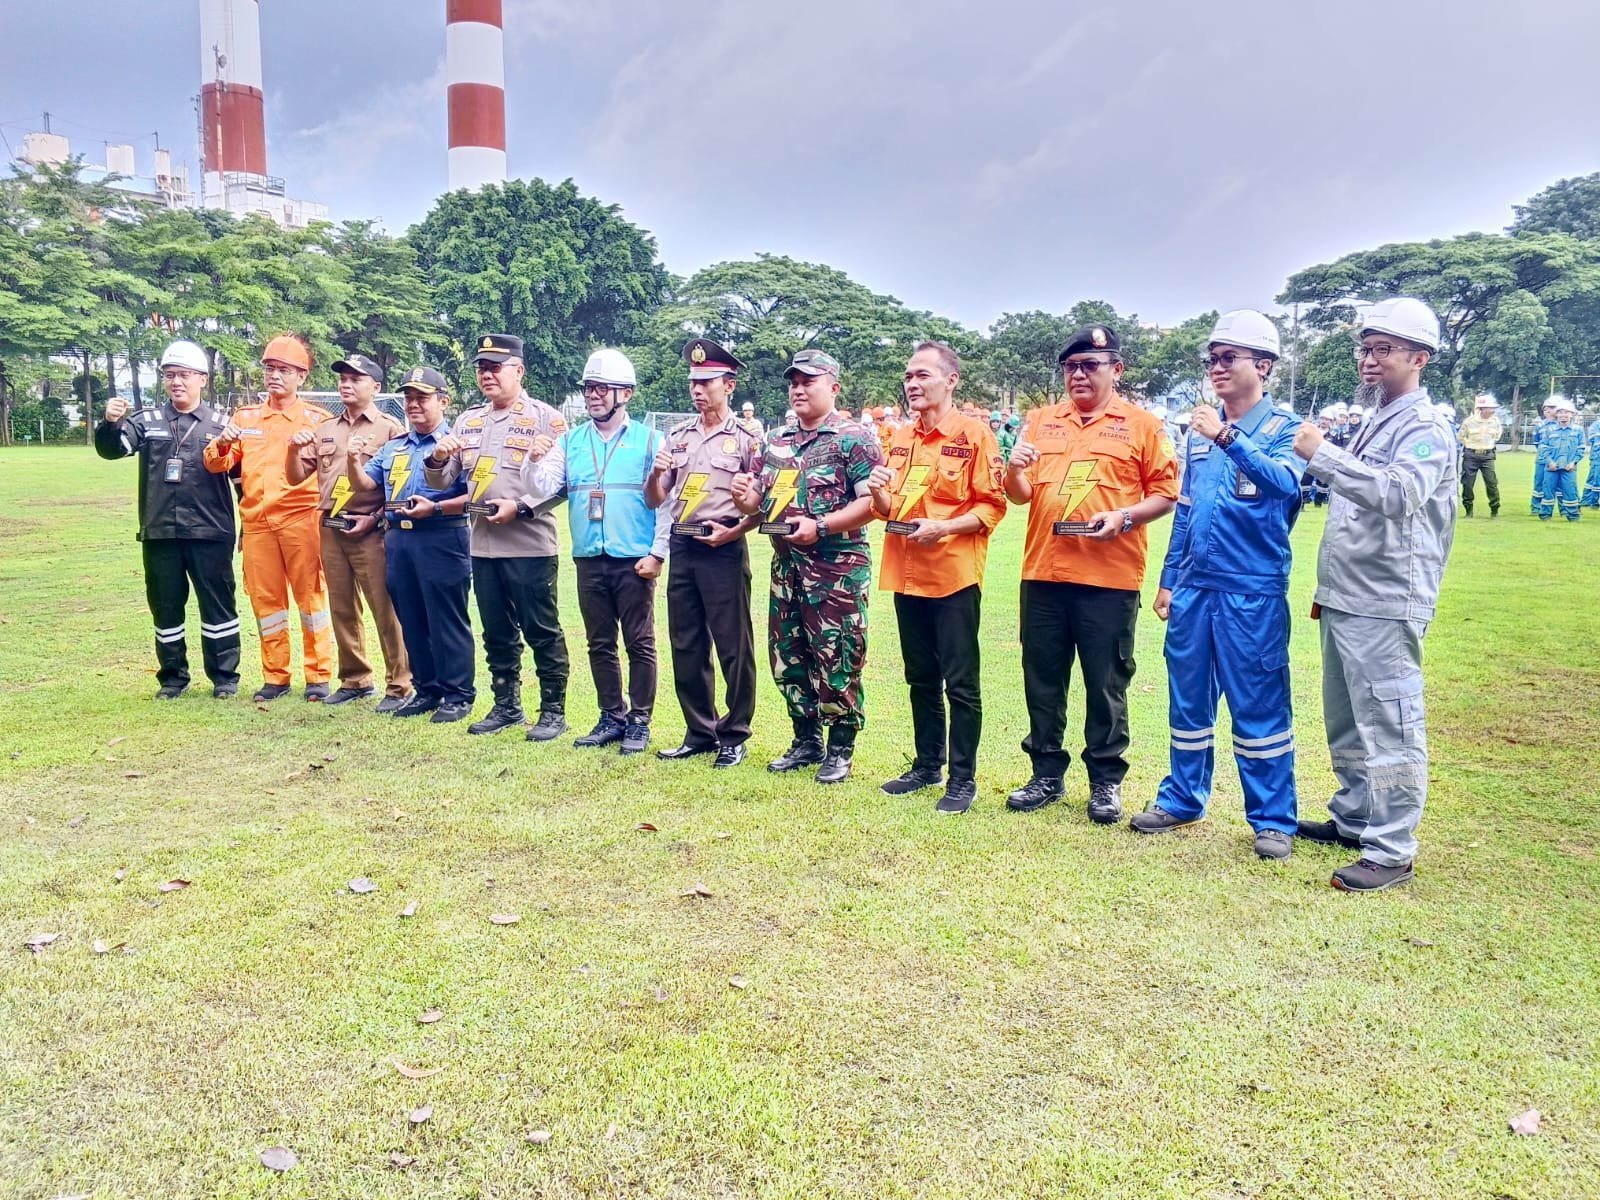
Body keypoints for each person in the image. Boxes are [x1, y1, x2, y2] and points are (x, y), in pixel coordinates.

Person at [1293, 297, 1457, 892]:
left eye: (1383, 349)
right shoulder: (1376, 419)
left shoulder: (1425, 427)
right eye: (1365, 348)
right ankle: (1356, 816)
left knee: (1390, 724)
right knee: (1346, 721)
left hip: (1387, 598)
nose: (1369, 359)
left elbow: (1399, 493)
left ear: (1420, 357)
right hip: (1346, 593)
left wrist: (1322, 455)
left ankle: (1391, 849)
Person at [1133, 311, 1303, 859]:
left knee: (1259, 705)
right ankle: (1183, 797)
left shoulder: (1286, 430)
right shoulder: (1198, 435)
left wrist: (1227, 436)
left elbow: (1284, 487)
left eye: (1229, 357)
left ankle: (1272, 819)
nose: (1217, 368)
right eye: (1212, 359)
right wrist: (1168, 579)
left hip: (1251, 590)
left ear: (1264, 365)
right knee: (1188, 701)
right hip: (1195, 588)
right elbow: (1185, 511)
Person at [1002, 325, 1178, 821]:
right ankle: (1045, 774)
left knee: (1106, 684)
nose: (1078, 375)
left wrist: (1125, 517)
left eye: (1090, 365)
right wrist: (1014, 469)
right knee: (1042, 680)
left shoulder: (1143, 426)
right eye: (1070, 367)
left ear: (1115, 369)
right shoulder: (1040, 421)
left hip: (1109, 578)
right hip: (1044, 572)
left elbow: (1166, 494)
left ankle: (1105, 781)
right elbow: (1019, 495)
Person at [731, 349, 883, 783]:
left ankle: (841, 747)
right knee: (788, 656)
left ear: (833, 387)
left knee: (838, 655)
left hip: (837, 570)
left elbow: (872, 504)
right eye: (794, 382)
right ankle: (806, 740)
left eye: (808, 381)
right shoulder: (775, 440)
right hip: (787, 567)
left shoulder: (854, 438)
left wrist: (822, 526)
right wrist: (744, 497)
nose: (798, 389)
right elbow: (757, 502)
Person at [866, 342, 1006, 813]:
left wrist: (944, 527)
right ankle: (928, 765)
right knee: (920, 676)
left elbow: (992, 506)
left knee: (960, 683)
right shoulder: (902, 437)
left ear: (951, 381)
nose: (912, 383)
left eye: (923, 375)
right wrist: (878, 493)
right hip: (906, 575)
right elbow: (889, 509)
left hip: (953, 576)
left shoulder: (975, 435)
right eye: (909, 376)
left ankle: (962, 779)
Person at [423, 334, 571, 740]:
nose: (487, 375)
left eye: (495, 367)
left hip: (529, 544)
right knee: (496, 631)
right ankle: (507, 706)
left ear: (519, 370)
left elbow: (564, 484)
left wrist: (521, 507)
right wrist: (437, 457)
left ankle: (553, 711)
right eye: (481, 368)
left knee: (541, 629)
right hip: (483, 545)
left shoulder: (547, 419)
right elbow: (444, 480)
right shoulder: (468, 421)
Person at [523, 349, 670, 755]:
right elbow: (540, 487)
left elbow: (667, 505)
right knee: (599, 642)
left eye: (602, 388)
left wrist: (658, 553)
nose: (592, 395)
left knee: (639, 642)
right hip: (589, 557)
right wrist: (532, 462)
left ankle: (639, 721)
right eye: (589, 388)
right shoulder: (570, 440)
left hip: (633, 558)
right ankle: (611, 716)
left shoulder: (650, 440)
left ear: (626, 393)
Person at [95, 340, 241, 699]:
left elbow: (242, 481)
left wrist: (250, 525)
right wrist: (110, 424)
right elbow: (113, 450)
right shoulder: (146, 422)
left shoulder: (223, 425)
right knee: (165, 608)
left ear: (203, 379)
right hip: (160, 532)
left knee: (218, 607)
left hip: (211, 532)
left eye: (185, 375)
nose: (177, 382)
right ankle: (173, 678)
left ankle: (224, 678)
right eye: (170, 375)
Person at [644, 339, 763, 767]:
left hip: (723, 546)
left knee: (734, 645)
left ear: (729, 385)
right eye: (693, 382)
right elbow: (655, 498)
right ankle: (700, 731)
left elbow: (762, 504)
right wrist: (656, 474)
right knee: (686, 643)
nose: (697, 390)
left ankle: (735, 733)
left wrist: (735, 532)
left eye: (706, 382)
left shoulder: (748, 439)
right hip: (683, 544)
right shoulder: (678, 437)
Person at [201, 335, 333, 702]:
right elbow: (216, 464)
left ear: (301, 376)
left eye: (285, 370)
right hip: (258, 525)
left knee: (311, 601)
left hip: (301, 522)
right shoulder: (245, 418)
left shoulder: (317, 421)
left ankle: (318, 676)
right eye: (270, 369)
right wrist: (222, 443)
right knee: (267, 603)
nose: (275, 375)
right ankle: (276, 677)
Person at [283, 352, 411, 710]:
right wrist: (293, 450)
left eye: (356, 378)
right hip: (332, 527)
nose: (346, 384)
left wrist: (377, 519)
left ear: (376, 387)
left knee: (384, 608)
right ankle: (355, 679)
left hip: (371, 529)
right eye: (343, 378)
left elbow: (400, 486)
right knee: (341, 607)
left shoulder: (390, 429)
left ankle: (401, 683)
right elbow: (295, 476)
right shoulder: (325, 429)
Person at [347, 366, 474, 721]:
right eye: (409, 398)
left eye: (422, 397)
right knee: (412, 618)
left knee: (446, 618)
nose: (413, 404)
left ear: (443, 402)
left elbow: (474, 495)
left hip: (442, 535)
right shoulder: (395, 446)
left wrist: (435, 507)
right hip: (400, 539)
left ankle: (458, 695)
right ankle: (427, 689)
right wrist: (352, 461)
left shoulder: (458, 444)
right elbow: (365, 486)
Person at [1536, 396, 1585, 521]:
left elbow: (1581, 448)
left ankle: (1573, 516)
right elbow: (1543, 447)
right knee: (1548, 491)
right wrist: (1549, 462)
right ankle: (1545, 515)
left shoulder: (1578, 430)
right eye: (1560, 412)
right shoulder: (1549, 430)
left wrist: (1574, 462)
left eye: (1567, 412)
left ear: (1572, 414)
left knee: (1570, 491)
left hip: (1569, 468)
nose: (1563, 415)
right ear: (1557, 414)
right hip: (1551, 467)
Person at [1458, 394, 1503, 518]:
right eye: (1490, 408)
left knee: (1491, 483)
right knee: (1467, 483)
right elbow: (1461, 436)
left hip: (1488, 455)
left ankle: (1494, 509)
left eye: (1493, 408)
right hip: (1471, 455)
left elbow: (1497, 436)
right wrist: (1470, 445)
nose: (1492, 410)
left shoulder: (1495, 421)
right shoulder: (1469, 422)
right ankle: (1468, 510)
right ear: (1481, 408)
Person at [1530, 399, 1556, 515]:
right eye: (1546, 409)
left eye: (1552, 408)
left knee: (1557, 485)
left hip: (1556, 459)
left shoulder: (1560, 425)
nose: (1548, 411)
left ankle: (1563, 509)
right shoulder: (1539, 426)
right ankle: (1536, 507)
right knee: (1539, 483)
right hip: (1541, 459)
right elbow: (1537, 443)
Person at [1584, 409, 1600, 509]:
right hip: (1597, 456)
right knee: (1596, 479)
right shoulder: (1596, 425)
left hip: (1596, 456)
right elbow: (1593, 440)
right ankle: (1593, 502)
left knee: (1593, 478)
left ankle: (1586, 500)